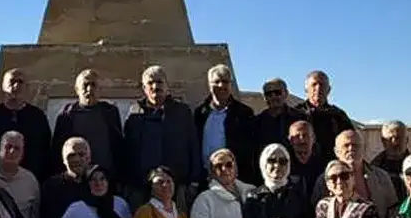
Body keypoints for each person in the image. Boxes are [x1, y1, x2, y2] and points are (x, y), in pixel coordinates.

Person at [123, 66, 201, 209]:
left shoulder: (182, 111)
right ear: (144, 87)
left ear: (166, 85)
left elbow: (193, 145)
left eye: (159, 82)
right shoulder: (134, 113)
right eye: (151, 83)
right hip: (142, 187)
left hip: (176, 185)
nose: (155, 86)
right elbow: (127, 149)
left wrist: (194, 180)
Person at [0, 69, 54, 181]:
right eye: (12, 81)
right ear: (3, 86)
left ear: (26, 87)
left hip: (31, 181)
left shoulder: (38, 117)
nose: (16, 86)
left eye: (20, 82)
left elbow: (46, 150)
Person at [50, 70, 126, 186]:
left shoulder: (110, 112)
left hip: (103, 179)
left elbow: (118, 146)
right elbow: (57, 149)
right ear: (77, 89)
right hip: (76, 179)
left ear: (100, 90)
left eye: (93, 85)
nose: (89, 89)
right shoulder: (67, 115)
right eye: (85, 85)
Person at [194, 64, 257, 185]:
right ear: (209, 85)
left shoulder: (244, 113)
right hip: (207, 179)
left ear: (230, 84)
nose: (221, 85)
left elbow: (251, 149)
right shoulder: (200, 113)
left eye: (225, 81)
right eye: (216, 81)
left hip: (234, 179)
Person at [294, 71, 354, 161]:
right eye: (314, 84)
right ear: (306, 89)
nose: (318, 88)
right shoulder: (296, 113)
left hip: (331, 167)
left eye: (322, 85)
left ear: (329, 89)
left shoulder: (338, 115)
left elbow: (351, 141)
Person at [252, 78, 304, 156]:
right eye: (268, 94)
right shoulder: (256, 122)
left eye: (277, 92)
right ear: (264, 97)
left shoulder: (300, 118)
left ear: (286, 93)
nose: (273, 97)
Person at [372, 120, 409, 199]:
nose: (394, 142)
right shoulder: (374, 167)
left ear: (406, 140)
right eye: (390, 138)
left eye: (398, 138)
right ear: (383, 141)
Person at [288, 120, 326, 187]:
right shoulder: (284, 165)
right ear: (290, 140)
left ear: (313, 138)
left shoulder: (323, 167)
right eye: (297, 136)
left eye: (305, 135)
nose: (302, 140)